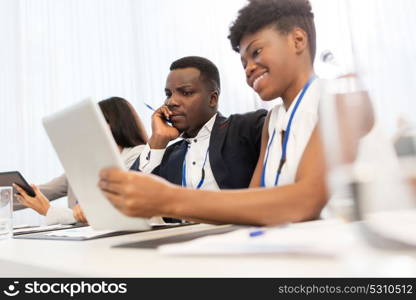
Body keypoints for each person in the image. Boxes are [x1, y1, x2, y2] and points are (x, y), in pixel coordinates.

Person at [98, 0, 327, 226]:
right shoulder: (273, 120)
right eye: (243, 62)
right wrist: (157, 144)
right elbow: (253, 202)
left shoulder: (336, 100)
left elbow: (305, 201)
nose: (248, 68)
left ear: (298, 40)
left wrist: (169, 199)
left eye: (256, 52)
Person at [132, 56, 266, 191]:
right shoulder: (169, 155)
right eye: (168, 94)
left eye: (186, 92)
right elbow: (131, 194)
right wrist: (158, 139)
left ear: (212, 99)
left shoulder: (245, 128)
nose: (171, 102)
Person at [14, 97, 148, 225]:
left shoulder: (138, 155)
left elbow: (105, 211)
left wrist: (49, 211)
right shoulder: (86, 165)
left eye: (97, 122)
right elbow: (43, 191)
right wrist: (8, 195)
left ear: (117, 124)